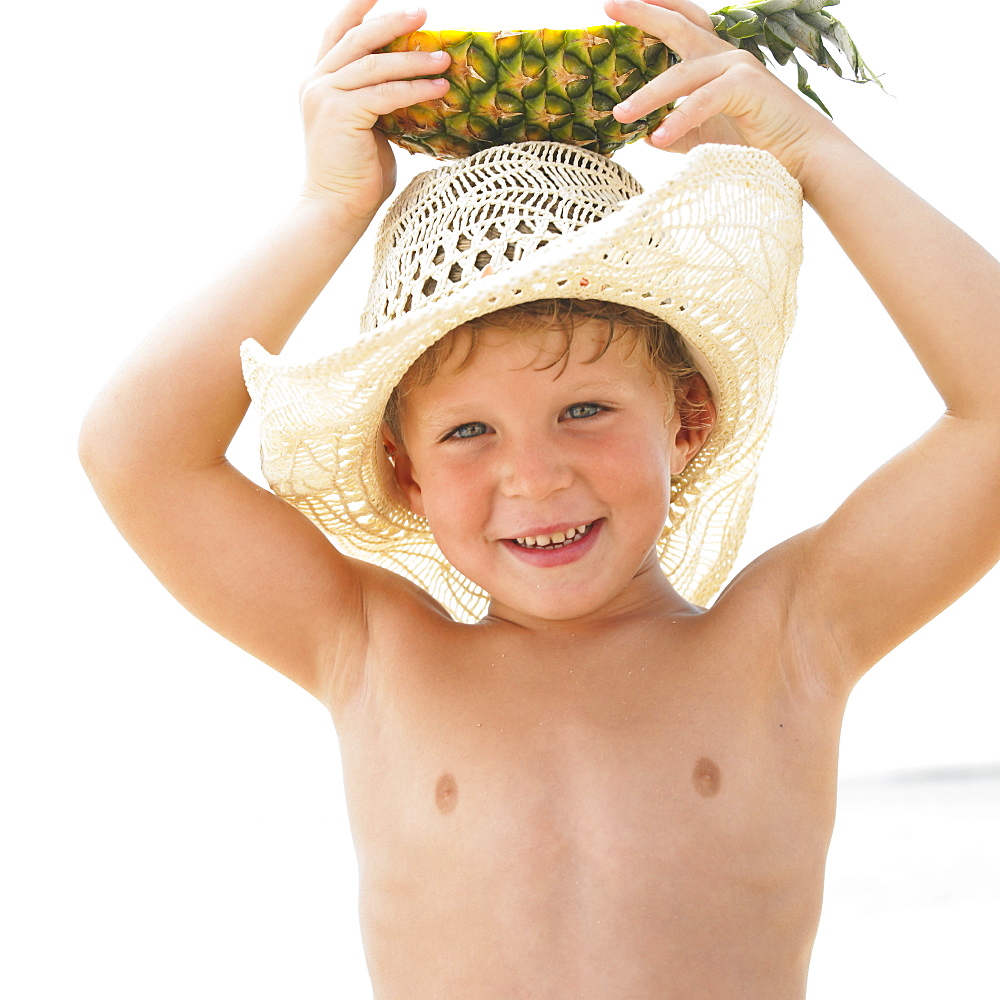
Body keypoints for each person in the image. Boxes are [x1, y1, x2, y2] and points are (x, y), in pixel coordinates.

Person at [78, 0, 1000, 996]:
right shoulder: (376, 652)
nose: (536, 475)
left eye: (585, 408)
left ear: (686, 417)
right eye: (468, 430)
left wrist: (811, 152)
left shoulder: (786, 641)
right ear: (402, 469)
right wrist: (327, 207)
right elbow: (136, 456)